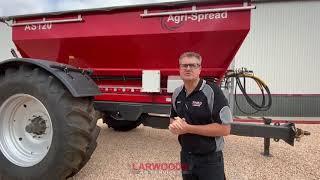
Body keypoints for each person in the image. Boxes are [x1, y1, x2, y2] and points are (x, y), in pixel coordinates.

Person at [169, 52, 233, 180]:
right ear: (179, 69)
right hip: (186, 156)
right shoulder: (177, 94)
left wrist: (188, 128)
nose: (188, 68)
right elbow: (173, 119)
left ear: (199, 69)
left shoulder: (212, 91)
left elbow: (225, 129)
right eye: (184, 65)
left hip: (210, 159)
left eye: (193, 65)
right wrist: (174, 127)